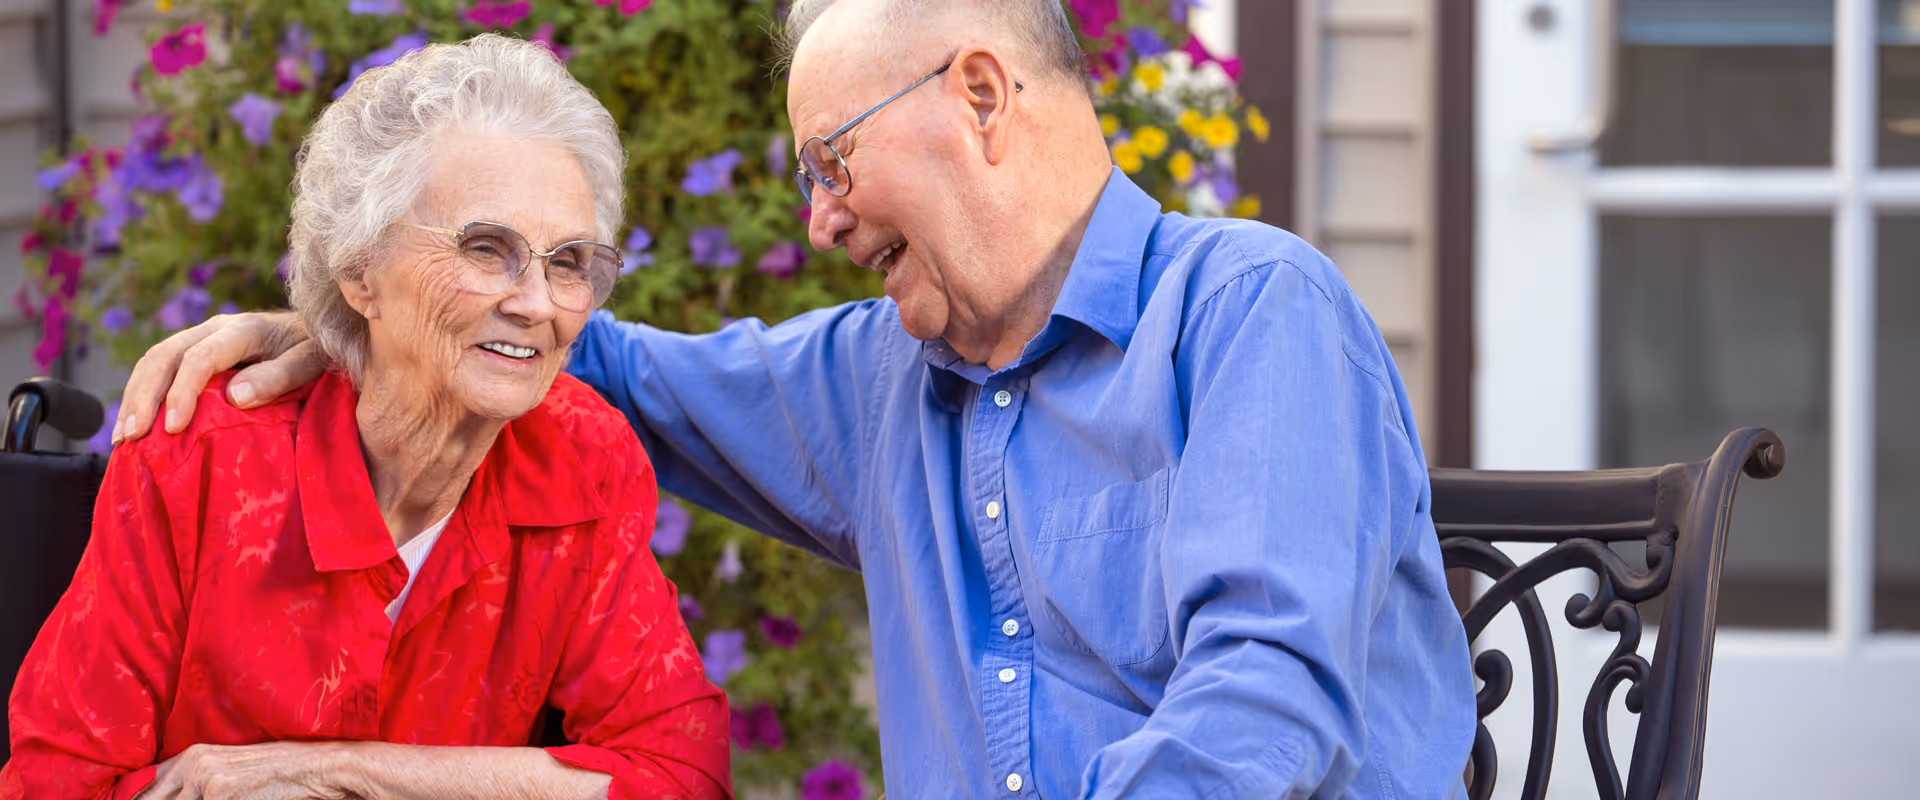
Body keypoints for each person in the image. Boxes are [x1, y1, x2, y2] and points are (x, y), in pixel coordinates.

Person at [112, 1, 1477, 797]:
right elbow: (597, 361)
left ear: (983, 96)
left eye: (831, 162)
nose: (819, 222)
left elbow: (1266, 708)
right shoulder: (879, 378)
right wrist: (361, 310)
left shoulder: (1248, 313)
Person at [4, 35, 730, 800]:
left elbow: (679, 773)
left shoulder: (580, 457)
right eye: (487, 248)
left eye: (570, 262)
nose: (537, 303)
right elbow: (56, 782)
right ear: (358, 273)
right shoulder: (202, 460)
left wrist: (331, 772)